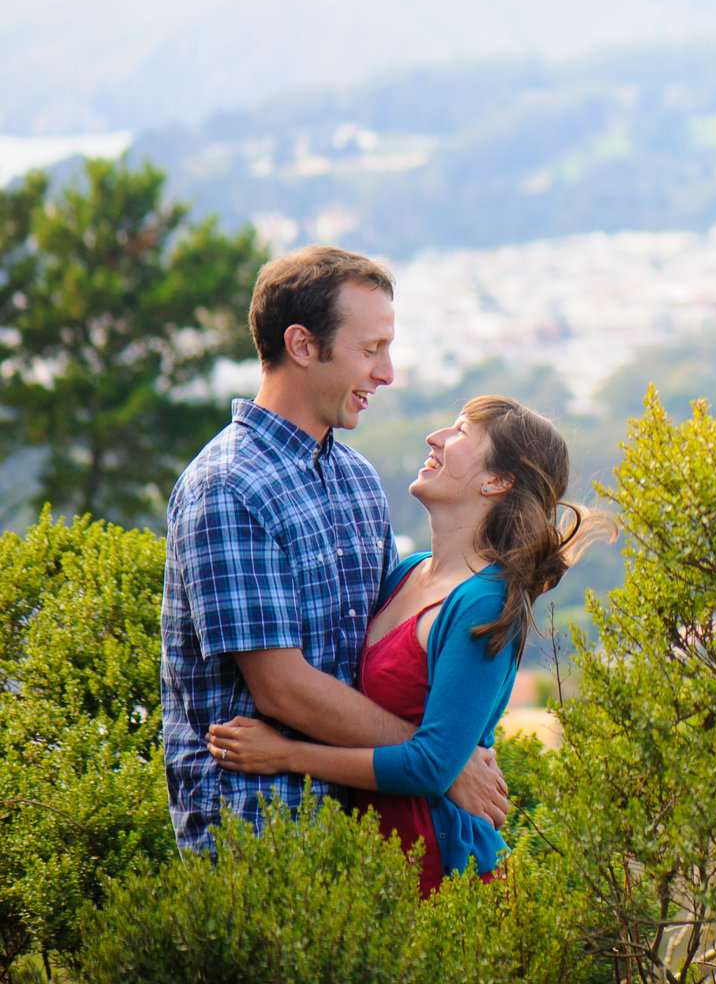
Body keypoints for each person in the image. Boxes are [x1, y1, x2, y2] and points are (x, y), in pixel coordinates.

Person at [160, 246, 507, 853]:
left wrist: (451, 743)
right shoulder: (229, 486)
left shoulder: (357, 480)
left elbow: (386, 652)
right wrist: (442, 765)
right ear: (302, 345)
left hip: (366, 835)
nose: (386, 372)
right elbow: (282, 688)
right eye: (370, 350)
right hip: (257, 836)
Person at [208, 395, 591, 892]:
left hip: (441, 873)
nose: (436, 437)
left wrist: (285, 754)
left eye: (461, 434)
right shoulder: (406, 574)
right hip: (376, 862)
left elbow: (429, 768)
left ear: (496, 482)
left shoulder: (485, 602)